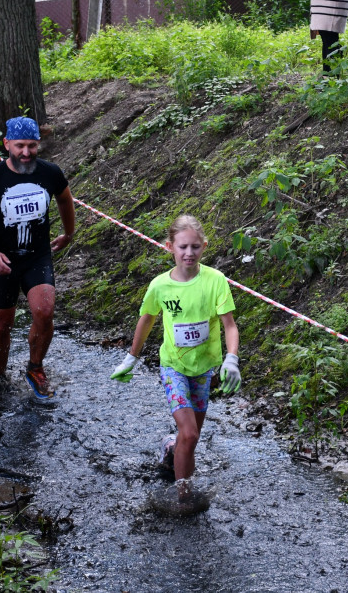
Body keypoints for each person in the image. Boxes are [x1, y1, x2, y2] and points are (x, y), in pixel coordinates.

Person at [111, 215, 240, 503]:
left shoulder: (215, 281)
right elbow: (146, 321)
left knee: (188, 440)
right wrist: (131, 359)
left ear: (204, 246)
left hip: (203, 368)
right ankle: (183, 496)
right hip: (173, 368)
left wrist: (231, 359)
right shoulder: (160, 286)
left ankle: (171, 449)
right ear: (170, 247)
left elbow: (229, 325)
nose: (189, 253)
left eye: (195, 247)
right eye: (183, 247)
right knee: (191, 434)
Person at [0, 117, 75, 400]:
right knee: (1, 324)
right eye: (20, 146)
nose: (26, 153)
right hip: (3, 260)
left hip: (37, 256)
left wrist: (68, 233)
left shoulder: (50, 173)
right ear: (7, 144)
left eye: (32, 146)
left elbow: (64, 199)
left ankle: (35, 368)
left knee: (44, 311)